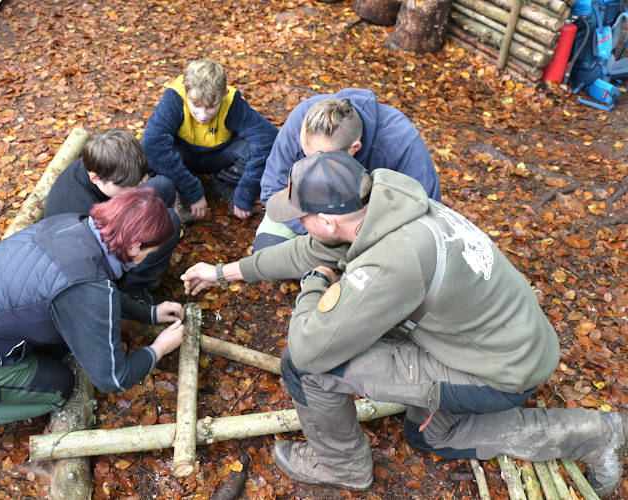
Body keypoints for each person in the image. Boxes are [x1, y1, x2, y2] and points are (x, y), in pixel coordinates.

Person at [183, 151, 628, 497]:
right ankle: (591, 433)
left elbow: (310, 347)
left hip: (497, 372)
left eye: (300, 217)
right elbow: (308, 253)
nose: (296, 224)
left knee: (305, 369)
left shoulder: (393, 259)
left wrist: (315, 286)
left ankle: (342, 467)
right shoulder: (387, 208)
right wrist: (223, 272)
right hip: (514, 343)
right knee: (427, 435)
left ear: (327, 220)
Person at [0, 188, 186, 465]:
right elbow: (112, 378)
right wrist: (158, 349)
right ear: (134, 246)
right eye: (150, 252)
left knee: (51, 347)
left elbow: (89, 292)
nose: (147, 258)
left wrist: (148, 313)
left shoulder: (72, 224)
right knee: (56, 387)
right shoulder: (87, 287)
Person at [253, 89, 442, 251]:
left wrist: (354, 237)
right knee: (267, 249)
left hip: (370, 231)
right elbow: (272, 188)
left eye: (322, 159)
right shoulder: (303, 119)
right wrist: (317, 230)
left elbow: (426, 211)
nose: (312, 165)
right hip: (309, 218)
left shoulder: (401, 144)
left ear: (354, 148)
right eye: (306, 155)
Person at [45, 129, 180, 304]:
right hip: (97, 264)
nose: (135, 191)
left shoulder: (102, 164)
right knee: (169, 222)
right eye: (126, 187)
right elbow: (96, 267)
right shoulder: (82, 212)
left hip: (111, 220)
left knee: (163, 185)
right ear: (95, 178)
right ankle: (133, 289)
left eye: (137, 183)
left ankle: (148, 268)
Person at [141, 59, 278, 221]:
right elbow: (152, 143)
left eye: (212, 106)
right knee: (150, 149)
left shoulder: (233, 103)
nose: (203, 115)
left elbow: (268, 139)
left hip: (219, 157)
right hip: (184, 156)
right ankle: (177, 188)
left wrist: (245, 194)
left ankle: (226, 181)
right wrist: (192, 191)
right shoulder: (174, 99)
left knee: (258, 150)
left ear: (224, 94)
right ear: (186, 91)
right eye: (196, 106)